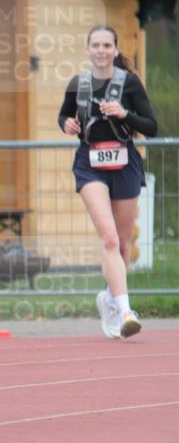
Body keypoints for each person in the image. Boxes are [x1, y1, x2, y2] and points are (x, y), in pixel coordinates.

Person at [58, 25, 157, 340]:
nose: (101, 51)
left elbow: (151, 126)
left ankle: (110, 301)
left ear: (115, 50)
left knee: (124, 243)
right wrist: (67, 124)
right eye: (96, 45)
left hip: (125, 164)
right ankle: (126, 312)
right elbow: (63, 116)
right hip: (91, 165)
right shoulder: (78, 84)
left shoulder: (130, 83)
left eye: (107, 45)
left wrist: (124, 114)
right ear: (88, 49)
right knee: (110, 238)